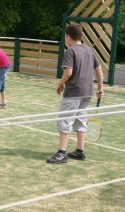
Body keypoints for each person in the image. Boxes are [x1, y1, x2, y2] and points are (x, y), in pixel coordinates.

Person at [46, 23, 104, 164]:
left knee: (65, 120)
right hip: (88, 92)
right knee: (80, 120)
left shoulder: (70, 51)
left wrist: (60, 84)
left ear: (68, 37)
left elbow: (68, 72)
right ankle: (79, 151)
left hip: (73, 92)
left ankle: (61, 153)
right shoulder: (89, 50)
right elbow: (99, 71)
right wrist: (100, 88)